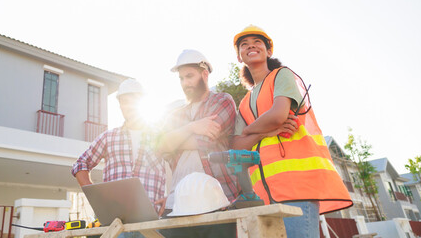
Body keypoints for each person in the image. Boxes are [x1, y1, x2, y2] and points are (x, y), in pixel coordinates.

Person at [231, 25, 353, 237]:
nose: (251, 45)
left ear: (269, 51)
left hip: (297, 187)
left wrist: (250, 131)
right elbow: (236, 146)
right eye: (244, 44)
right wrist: (265, 132)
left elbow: (278, 115)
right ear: (240, 56)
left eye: (257, 41)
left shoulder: (282, 75)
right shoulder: (243, 103)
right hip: (262, 194)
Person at [156, 49, 238, 238]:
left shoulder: (222, 101)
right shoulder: (175, 114)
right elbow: (160, 147)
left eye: (190, 76)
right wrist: (192, 127)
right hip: (177, 204)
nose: (185, 83)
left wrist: (174, 139)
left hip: (216, 202)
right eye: (182, 78)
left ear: (205, 74)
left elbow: (206, 141)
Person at [72, 79, 165, 238]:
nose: (129, 106)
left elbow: (180, 164)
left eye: (134, 101)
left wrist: (172, 197)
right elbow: (80, 165)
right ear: (120, 105)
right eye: (125, 102)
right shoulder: (108, 137)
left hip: (151, 223)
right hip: (116, 225)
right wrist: (97, 199)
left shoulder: (161, 136)